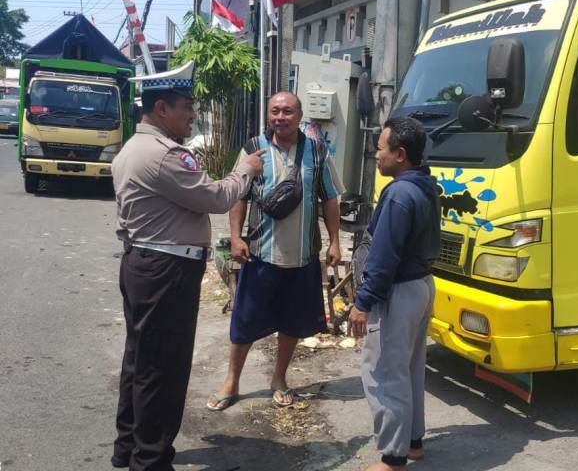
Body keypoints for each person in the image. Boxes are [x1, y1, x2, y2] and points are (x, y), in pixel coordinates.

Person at [110, 61, 266, 471]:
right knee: (163, 366)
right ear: (162, 109)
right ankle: (151, 459)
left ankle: (128, 446)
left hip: (145, 264)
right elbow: (215, 198)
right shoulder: (165, 155)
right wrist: (243, 170)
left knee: (140, 359)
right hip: (165, 272)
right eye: (186, 108)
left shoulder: (134, 147)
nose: (192, 115)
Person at [206, 91, 341, 411]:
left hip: (303, 256)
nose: (281, 117)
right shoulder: (254, 148)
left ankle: (279, 379)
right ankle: (232, 381)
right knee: (245, 320)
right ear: (268, 116)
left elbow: (330, 198)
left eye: (288, 111)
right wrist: (235, 237)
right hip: (260, 253)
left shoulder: (317, 150)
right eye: (275, 111)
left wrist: (334, 241)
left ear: (300, 114)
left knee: (292, 322)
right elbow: (239, 195)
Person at [348, 117, 441, 471]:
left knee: (385, 371)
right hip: (421, 286)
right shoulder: (425, 184)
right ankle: (413, 442)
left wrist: (363, 302)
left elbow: (384, 256)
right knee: (411, 367)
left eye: (381, 148)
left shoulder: (399, 194)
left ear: (400, 154)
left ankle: (393, 458)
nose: (376, 154)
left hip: (398, 292)